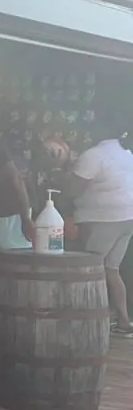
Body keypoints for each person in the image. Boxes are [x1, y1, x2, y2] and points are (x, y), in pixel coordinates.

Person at [67, 120, 133, 336]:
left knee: (90, 269)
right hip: (127, 217)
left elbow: (73, 188)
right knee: (111, 269)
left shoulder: (93, 155)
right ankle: (124, 322)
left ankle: (87, 322)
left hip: (104, 219)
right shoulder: (126, 153)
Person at [0, 106, 33, 251]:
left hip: (9, 213)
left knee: (14, 256)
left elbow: (15, 177)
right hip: (1, 212)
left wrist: (26, 218)